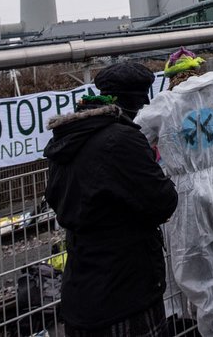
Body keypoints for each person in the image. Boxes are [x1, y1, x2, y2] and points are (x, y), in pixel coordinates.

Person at [44, 63, 178, 337]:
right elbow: (164, 200)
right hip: (127, 289)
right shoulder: (123, 140)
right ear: (132, 101)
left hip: (82, 288)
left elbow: (57, 199)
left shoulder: (68, 138)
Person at [134, 48, 213, 337]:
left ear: (171, 76)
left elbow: (135, 134)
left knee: (203, 276)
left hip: (187, 192)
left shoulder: (164, 104)